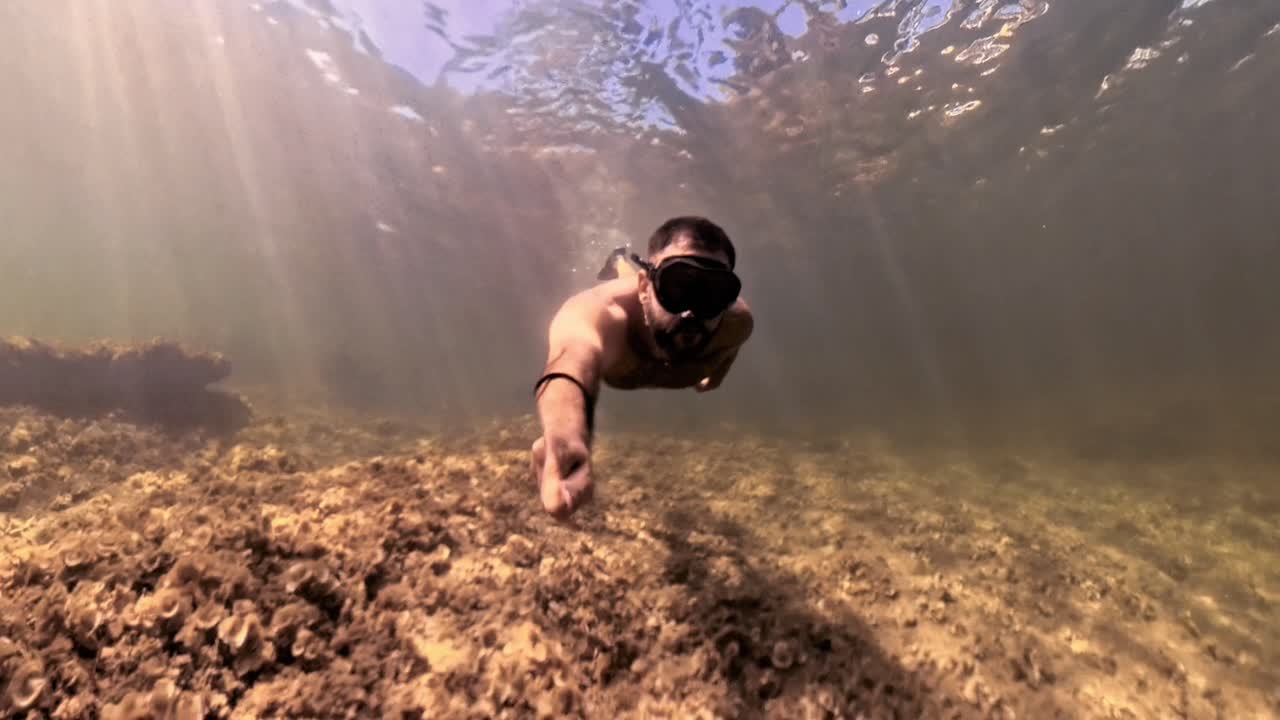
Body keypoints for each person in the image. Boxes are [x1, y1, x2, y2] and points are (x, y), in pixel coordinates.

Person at [531, 216, 754, 521]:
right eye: (677, 287)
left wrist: (714, 379)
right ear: (645, 288)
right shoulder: (601, 314)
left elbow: (726, 353)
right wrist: (565, 437)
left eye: (713, 293)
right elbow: (570, 364)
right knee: (627, 283)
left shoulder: (735, 324)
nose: (691, 312)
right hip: (630, 301)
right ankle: (620, 261)